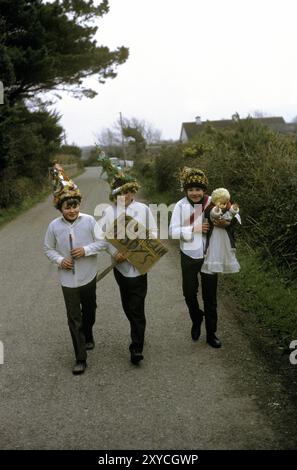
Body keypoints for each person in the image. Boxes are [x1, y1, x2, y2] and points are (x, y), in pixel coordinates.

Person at [44, 163, 106, 375]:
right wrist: (61, 260)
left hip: (88, 276)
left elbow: (103, 243)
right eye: (67, 207)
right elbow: (48, 249)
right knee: (73, 317)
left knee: (89, 312)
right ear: (60, 208)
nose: (71, 210)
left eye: (74, 205)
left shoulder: (89, 221)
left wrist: (86, 250)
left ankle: (88, 334)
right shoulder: (54, 226)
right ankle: (80, 357)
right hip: (67, 280)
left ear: (79, 204)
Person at [97, 174, 158, 365]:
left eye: (128, 191)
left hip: (140, 266)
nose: (125, 195)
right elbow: (100, 237)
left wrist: (134, 250)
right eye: (120, 193)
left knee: (137, 306)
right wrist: (114, 253)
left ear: (133, 192)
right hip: (120, 267)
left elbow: (153, 232)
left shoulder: (143, 209)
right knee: (127, 305)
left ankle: (136, 347)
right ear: (114, 195)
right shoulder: (109, 212)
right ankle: (137, 329)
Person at [169, 167, 226, 348]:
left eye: (198, 189)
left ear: (204, 190)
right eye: (191, 189)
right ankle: (196, 318)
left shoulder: (214, 202)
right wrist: (194, 229)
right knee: (189, 292)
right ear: (186, 190)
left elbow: (234, 217)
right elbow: (172, 231)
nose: (195, 193)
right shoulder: (180, 206)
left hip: (210, 254)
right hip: (189, 255)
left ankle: (211, 334)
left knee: (210, 296)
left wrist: (225, 222)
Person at [202, 187, 241, 275]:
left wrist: (233, 210)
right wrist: (217, 209)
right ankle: (214, 265)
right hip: (214, 233)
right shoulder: (210, 206)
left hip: (224, 233)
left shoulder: (228, 205)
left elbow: (234, 216)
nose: (224, 203)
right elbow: (211, 213)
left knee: (225, 247)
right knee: (215, 248)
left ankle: (222, 264)